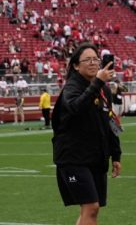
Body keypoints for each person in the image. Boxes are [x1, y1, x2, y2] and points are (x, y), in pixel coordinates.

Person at [52, 43, 121, 224]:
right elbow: (76, 107)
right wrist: (98, 82)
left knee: (91, 210)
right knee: (91, 206)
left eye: (95, 59)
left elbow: (110, 121)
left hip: (95, 156)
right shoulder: (71, 88)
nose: (93, 63)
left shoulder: (104, 90)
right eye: (87, 59)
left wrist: (116, 155)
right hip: (73, 157)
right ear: (75, 65)